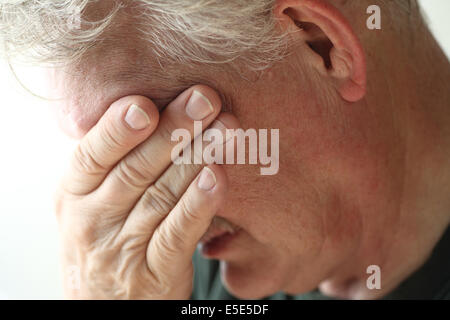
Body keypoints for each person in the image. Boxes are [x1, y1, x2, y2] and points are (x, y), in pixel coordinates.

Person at [1, 0, 449, 299]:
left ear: (320, 44)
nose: (138, 205)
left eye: (166, 135)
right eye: (112, 153)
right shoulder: (157, 278)